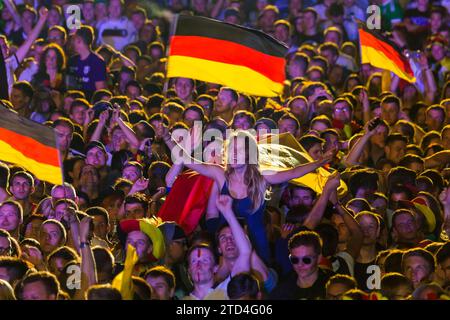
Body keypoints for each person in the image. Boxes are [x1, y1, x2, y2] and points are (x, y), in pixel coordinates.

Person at [270, 231, 334, 299]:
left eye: (306, 260)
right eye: (295, 260)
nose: (300, 265)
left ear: (319, 258)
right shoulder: (283, 289)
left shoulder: (333, 285)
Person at [67, 26, 107, 99]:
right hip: (73, 101)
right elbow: (69, 86)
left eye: (74, 39)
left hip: (90, 101)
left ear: (79, 40)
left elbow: (100, 90)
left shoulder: (97, 62)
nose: (72, 42)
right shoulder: (72, 61)